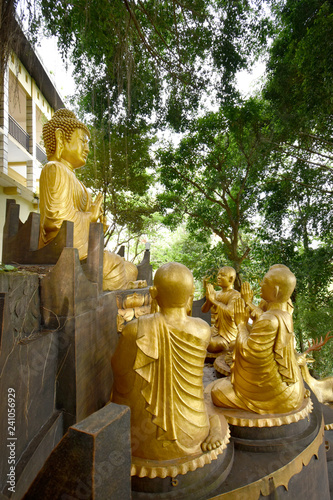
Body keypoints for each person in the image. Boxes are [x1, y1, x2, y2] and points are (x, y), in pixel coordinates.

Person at [112, 262, 223, 461]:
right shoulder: (203, 329)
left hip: (142, 437)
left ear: (153, 293)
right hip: (195, 427)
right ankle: (212, 428)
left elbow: (119, 373)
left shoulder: (134, 330)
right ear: (190, 294)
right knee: (210, 409)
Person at [39, 108, 137, 290]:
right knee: (114, 265)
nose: (87, 148)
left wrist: (97, 226)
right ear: (61, 138)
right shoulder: (54, 169)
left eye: (88, 143)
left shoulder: (79, 183)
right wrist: (89, 217)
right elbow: (55, 221)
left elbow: (83, 223)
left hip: (82, 250)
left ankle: (121, 285)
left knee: (130, 268)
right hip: (62, 252)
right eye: (82, 141)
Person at [211, 265, 305, 414]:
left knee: (217, 391)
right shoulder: (283, 315)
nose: (260, 284)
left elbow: (248, 353)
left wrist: (241, 324)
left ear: (275, 291)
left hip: (276, 395)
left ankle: (258, 402)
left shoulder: (270, 319)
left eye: (265, 282)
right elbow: (259, 335)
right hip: (291, 389)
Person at [202, 267, 240, 353]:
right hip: (215, 329)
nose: (218, 277)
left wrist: (213, 301)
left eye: (222, 275)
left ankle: (227, 347)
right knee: (199, 331)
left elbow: (229, 312)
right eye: (218, 275)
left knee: (210, 344)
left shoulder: (236, 295)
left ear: (231, 279)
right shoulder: (216, 294)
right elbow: (204, 310)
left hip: (228, 335)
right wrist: (208, 299)